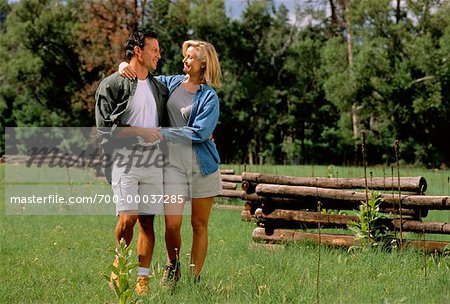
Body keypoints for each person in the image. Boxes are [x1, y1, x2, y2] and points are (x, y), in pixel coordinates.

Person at [119, 40, 222, 286]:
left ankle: (194, 280)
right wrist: (124, 65)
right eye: (185, 57)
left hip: (202, 167)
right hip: (172, 167)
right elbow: (143, 76)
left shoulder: (210, 97)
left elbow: (199, 133)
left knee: (199, 224)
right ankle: (172, 264)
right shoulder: (171, 82)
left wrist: (162, 132)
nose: (184, 61)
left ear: (203, 64)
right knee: (172, 223)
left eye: (190, 57)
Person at [95, 29, 168, 295]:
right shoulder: (112, 84)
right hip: (125, 161)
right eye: (154, 50)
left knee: (147, 222)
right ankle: (120, 262)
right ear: (138, 51)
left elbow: (189, 85)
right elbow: (105, 130)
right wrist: (140, 132)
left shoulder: (160, 87)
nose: (158, 55)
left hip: (153, 163)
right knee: (128, 219)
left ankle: (142, 280)